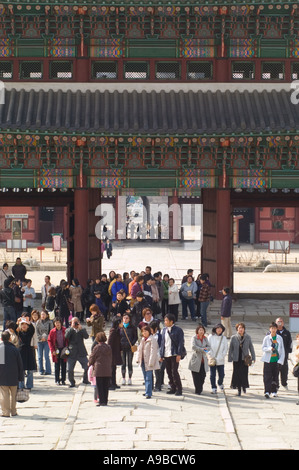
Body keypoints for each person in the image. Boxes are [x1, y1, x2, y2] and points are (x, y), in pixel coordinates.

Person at [160, 313, 185, 396]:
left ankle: (179, 388)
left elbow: (181, 343)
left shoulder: (178, 330)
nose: (165, 322)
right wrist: (161, 354)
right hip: (166, 353)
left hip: (174, 353)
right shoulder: (164, 330)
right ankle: (172, 387)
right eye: (165, 320)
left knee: (174, 371)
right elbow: (162, 343)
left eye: (166, 320)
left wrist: (179, 354)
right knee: (168, 371)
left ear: (171, 321)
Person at [0, 330, 24, 417]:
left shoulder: (1, 349)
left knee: (4, 394)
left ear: (1, 339)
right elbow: (20, 364)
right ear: (10, 338)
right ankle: (13, 411)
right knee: (13, 395)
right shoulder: (14, 349)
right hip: (14, 375)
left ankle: (5, 412)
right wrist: (21, 377)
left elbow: (1, 364)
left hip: (3, 376)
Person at [228, 322, 256, 396]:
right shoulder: (233, 337)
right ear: (237, 329)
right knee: (237, 373)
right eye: (239, 328)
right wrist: (230, 358)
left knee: (244, 373)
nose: (241, 329)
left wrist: (253, 357)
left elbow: (251, 347)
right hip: (236, 358)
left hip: (245, 359)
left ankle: (244, 386)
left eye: (242, 328)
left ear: (244, 329)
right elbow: (231, 348)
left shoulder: (248, 337)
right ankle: (238, 388)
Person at [261, 322, 285, 398]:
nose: (273, 330)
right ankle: (267, 391)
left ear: (276, 329)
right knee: (267, 376)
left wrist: (281, 360)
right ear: (270, 329)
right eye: (272, 328)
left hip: (276, 360)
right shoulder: (267, 338)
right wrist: (269, 349)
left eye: (274, 328)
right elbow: (263, 348)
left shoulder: (279, 338)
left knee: (275, 376)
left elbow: (282, 350)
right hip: (268, 360)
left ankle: (274, 391)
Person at [88, 332, 112, 406]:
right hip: (107, 369)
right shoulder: (108, 347)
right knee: (105, 386)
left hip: (99, 369)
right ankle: (105, 401)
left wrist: (90, 363)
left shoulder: (96, 347)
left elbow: (92, 357)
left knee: (100, 386)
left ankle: (101, 401)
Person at [65, 317, 90, 388]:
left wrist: (81, 329)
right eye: (74, 322)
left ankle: (85, 379)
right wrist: (72, 328)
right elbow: (66, 336)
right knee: (70, 369)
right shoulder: (68, 330)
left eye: (76, 322)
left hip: (81, 351)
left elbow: (86, 337)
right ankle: (72, 382)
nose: (75, 324)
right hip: (72, 352)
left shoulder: (82, 329)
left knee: (87, 366)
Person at [137, 325, 160, 399]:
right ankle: (147, 390)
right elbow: (139, 350)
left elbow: (153, 351)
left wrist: (151, 361)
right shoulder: (143, 340)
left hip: (149, 361)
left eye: (145, 331)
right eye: (143, 331)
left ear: (149, 332)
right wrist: (138, 359)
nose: (144, 333)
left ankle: (148, 393)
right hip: (143, 360)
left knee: (148, 377)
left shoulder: (152, 339)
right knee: (145, 377)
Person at [188, 325, 210, 395]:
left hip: (203, 359)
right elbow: (193, 347)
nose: (201, 331)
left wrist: (204, 351)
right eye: (200, 330)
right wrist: (202, 349)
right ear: (197, 331)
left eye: (202, 330)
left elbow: (209, 347)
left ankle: (200, 387)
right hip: (196, 358)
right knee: (196, 375)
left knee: (203, 375)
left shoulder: (205, 338)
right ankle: (198, 389)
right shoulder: (194, 338)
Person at [17, 318, 37, 390]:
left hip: (29, 351)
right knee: (21, 370)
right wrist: (17, 322)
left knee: (30, 370)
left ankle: (29, 385)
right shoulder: (19, 333)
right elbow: (14, 330)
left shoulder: (29, 332)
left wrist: (29, 323)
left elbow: (33, 330)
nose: (24, 326)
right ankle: (21, 385)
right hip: (21, 352)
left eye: (25, 324)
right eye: (22, 324)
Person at [208, 323, 228, 394]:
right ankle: (213, 387)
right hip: (212, 359)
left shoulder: (224, 338)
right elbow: (206, 348)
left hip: (220, 359)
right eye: (218, 328)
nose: (219, 330)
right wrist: (210, 354)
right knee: (212, 374)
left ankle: (220, 383)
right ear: (215, 329)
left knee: (222, 374)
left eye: (220, 328)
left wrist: (222, 356)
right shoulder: (210, 337)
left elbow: (226, 348)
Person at [48, 317, 68, 385]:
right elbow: (49, 341)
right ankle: (57, 380)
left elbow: (68, 339)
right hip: (56, 349)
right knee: (57, 366)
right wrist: (52, 350)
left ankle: (63, 379)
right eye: (56, 323)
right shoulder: (52, 331)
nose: (57, 324)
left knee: (64, 365)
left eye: (59, 322)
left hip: (63, 349)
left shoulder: (65, 330)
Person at [119, 313, 138, 385]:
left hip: (130, 348)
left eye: (127, 318)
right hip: (122, 347)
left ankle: (130, 378)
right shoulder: (120, 327)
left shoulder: (133, 327)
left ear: (129, 319)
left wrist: (132, 343)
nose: (125, 319)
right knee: (123, 363)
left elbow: (135, 337)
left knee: (130, 363)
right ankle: (123, 378)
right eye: (124, 318)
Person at [275, 317, 292, 390]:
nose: (279, 323)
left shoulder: (286, 332)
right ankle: (276, 385)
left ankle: (284, 383)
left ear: (283, 323)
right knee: (275, 370)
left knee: (284, 370)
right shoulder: (274, 332)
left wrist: (288, 351)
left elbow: (290, 343)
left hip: (284, 355)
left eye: (281, 321)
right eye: (278, 322)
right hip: (275, 355)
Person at [107, 317, 122, 390]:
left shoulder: (118, 330)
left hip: (116, 351)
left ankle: (114, 382)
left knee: (114, 368)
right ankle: (110, 384)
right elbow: (109, 342)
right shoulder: (113, 331)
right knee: (111, 369)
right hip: (112, 352)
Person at [36, 310, 53, 376]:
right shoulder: (38, 322)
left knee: (46, 356)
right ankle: (41, 370)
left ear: (47, 315)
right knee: (40, 356)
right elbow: (36, 332)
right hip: (39, 341)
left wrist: (46, 338)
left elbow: (51, 332)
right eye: (41, 314)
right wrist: (40, 337)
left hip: (47, 341)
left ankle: (48, 370)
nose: (42, 316)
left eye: (44, 314)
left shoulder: (50, 322)